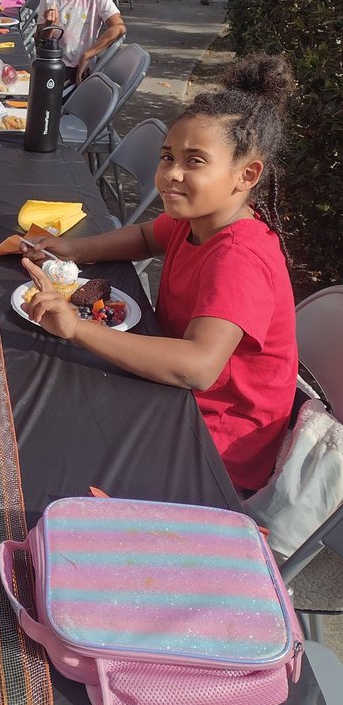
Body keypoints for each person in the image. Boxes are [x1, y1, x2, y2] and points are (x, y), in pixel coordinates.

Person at [21, 54, 298, 497]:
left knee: (49, 436)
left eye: (195, 161)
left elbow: (199, 368)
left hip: (212, 445)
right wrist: (74, 248)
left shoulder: (240, 258)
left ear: (246, 175)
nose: (171, 174)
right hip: (171, 392)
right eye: (168, 156)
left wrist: (76, 328)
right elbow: (146, 237)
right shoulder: (199, 218)